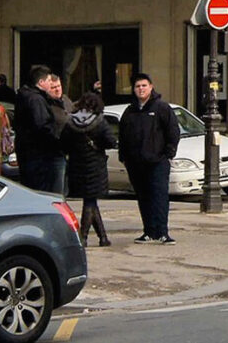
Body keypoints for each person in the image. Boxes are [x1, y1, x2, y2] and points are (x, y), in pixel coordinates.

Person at [119, 71, 180, 244]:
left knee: (159, 197)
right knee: (143, 198)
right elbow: (123, 136)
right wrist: (125, 157)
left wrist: (168, 153)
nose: (141, 89)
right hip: (136, 164)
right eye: (137, 86)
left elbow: (173, 131)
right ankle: (149, 231)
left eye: (144, 86)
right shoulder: (130, 111)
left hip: (157, 162)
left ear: (151, 87)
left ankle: (162, 232)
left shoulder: (161, 108)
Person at [64, 92, 118, 247]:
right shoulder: (100, 122)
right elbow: (111, 141)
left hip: (77, 164)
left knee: (90, 200)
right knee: (90, 201)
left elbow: (63, 143)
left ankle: (103, 237)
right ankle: (83, 237)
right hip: (95, 165)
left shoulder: (70, 122)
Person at [15, 65, 70, 195]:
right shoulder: (36, 99)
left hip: (30, 152)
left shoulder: (27, 96)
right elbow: (43, 126)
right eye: (49, 82)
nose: (52, 85)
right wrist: (59, 142)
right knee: (45, 191)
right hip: (40, 154)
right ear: (41, 82)